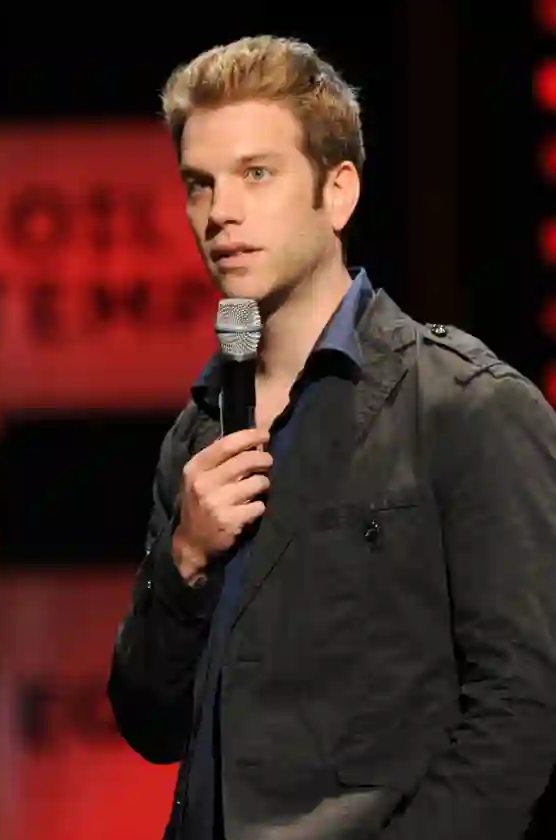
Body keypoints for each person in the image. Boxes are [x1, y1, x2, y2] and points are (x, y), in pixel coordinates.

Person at [107, 35, 556, 840]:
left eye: (257, 173)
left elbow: (524, 711)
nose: (221, 213)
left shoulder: (463, 407)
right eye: (199, 184)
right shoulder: (197, 434)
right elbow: (148, 722)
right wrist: (183, 563)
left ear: (337, 191)